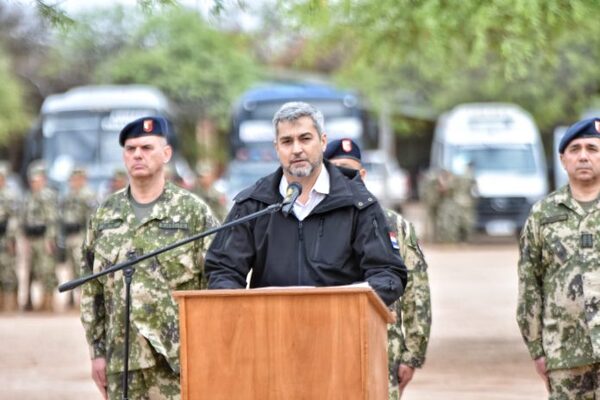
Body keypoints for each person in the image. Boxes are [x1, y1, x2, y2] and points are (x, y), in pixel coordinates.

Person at [205, 101, 407, 307]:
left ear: (323, 141)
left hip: (341, 328)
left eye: (305, 139)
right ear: (277, 148)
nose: (296, 149)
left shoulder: (359, 204)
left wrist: (349, 303)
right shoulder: (253, 204)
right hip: (269, 329)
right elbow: (223, 270)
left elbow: (388, 274)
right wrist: (240, 308)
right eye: (286, 141)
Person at [79, 116, 219, 400]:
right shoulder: (105, 215)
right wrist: (97, 353)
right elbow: (92, 289)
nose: (138, 155)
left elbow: (215, 285)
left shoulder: (193, 213)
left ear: (166, 154)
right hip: (123, 362)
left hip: (175, 362)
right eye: (131, 149)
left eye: (146, 147)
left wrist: (207, 352)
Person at [324, 139, 432, 399]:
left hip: (384, 350)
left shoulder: (393, 223)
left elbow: (416, 291)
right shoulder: (316, 222)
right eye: (337, 170)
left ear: (362, 174)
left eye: (350, 170)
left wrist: (412, 355)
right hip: (327, 346)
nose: (344, 176)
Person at [517, 117, 600, 398]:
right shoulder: (543, 214)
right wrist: (537, 349)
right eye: (575, 149)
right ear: (563, 160)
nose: (584, 156)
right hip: (564, 353)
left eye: (592, 148)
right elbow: (530, 284)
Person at [20, 161, 58, 311]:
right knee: (32, 270)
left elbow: (52, 220)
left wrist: (50, 240)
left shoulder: (47, 196)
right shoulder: (29, 196)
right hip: (32, 238)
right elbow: (24, 219)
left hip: (43, 239)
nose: (34, 183)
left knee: (46, 269)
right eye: (32, 180)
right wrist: (25, 240)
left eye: (36, 180)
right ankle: (32, 302)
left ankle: (48, 302)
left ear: (43, 179)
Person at [58, 167, 97, 308]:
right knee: (70, 267)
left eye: (75, 179)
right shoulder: (69, 195)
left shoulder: (88, 195)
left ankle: (83, 299)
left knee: (81, 266)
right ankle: (71, 298)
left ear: (82, 179)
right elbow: (62, 216)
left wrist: (89, 239)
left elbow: (91, 218)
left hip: (81, 235)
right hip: (70, 235)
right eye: (71, 179)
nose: (72, 182)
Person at [0, 162, 19, 311]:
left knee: (8, 271)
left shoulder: (9, 196)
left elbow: (14, 219)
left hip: (5, 238)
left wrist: (11, 239)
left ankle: (10, 304)